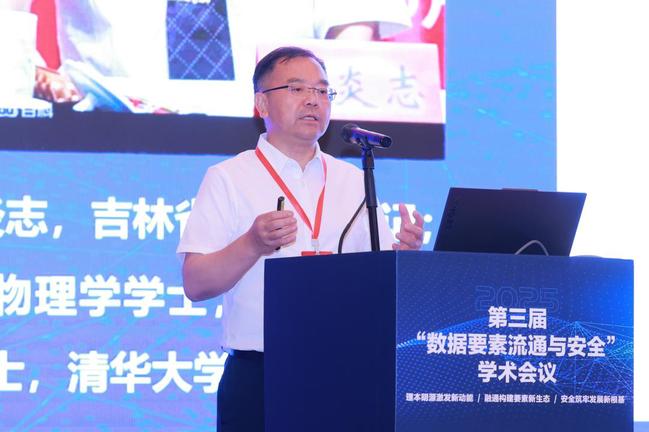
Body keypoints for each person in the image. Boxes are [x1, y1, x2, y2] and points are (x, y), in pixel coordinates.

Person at [177, 46, 424, 431]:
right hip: (260, 374)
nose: (313, 99)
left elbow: (377, 281)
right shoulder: (229, 177)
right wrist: (252, 243)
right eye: (296, 89)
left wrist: (402, 255)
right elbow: (195, 283)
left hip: (346, 370)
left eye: (322, 91)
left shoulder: (355, 180)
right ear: (261, 103)